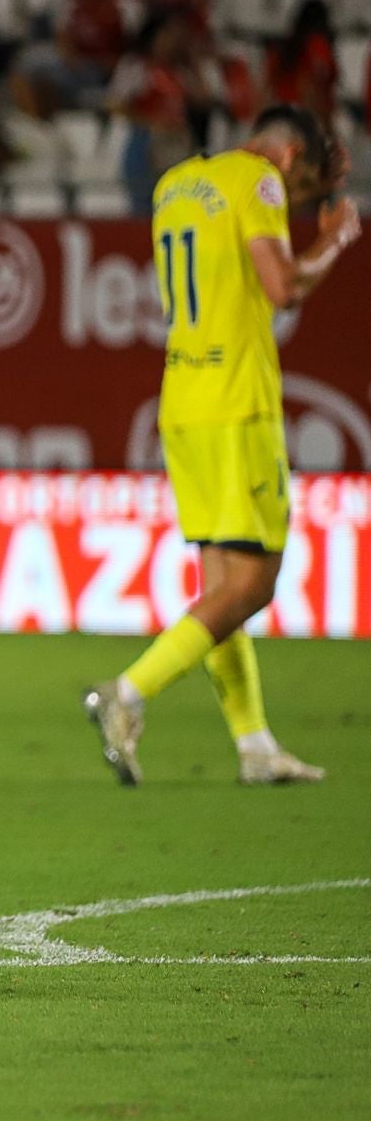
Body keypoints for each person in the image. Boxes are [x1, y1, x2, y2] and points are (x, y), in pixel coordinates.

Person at [85, 105, 360, 787]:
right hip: (239, 404)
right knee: (254, 582)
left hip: (183, 400)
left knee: (220, 583)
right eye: (299, 192)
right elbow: (282, 285)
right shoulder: (259, 181)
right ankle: (128, 691)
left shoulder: (174, 186)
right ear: (290, 157)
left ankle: (254, 744)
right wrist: (333, 241)